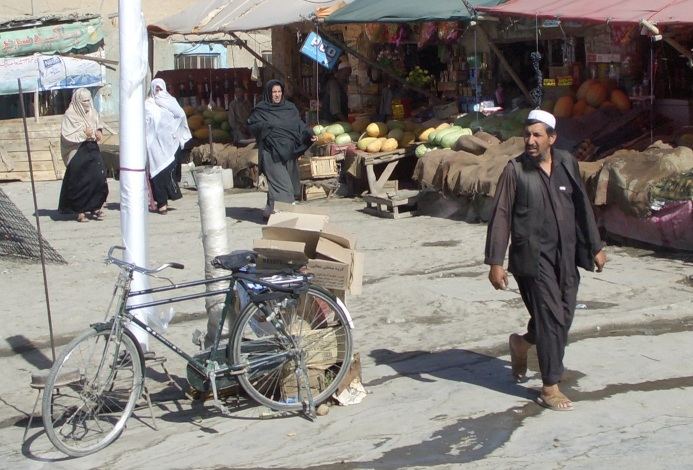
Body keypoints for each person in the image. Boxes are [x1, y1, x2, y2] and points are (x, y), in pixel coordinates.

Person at [484, 109, 607, 411]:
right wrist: (495, 261)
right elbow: (500, 216)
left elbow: (581, 206)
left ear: (552, 138)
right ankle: (550, 386)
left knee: (562, 316)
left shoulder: (567, 163)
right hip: (532, 257)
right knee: (552, 318)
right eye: (527, 134)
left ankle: (523, 343)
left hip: (566, 254)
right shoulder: (515, 170)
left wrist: (595, 245)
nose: (530, 140)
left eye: (537, 135)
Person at [248, 79, 317, 219]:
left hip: (289, 153)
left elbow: (299, 125)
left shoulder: (290, 108)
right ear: (268, 93)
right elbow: (252, 126)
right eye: (274, 92)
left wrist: (309, 135)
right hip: (271, 153)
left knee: (288, 182)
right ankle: (285, 219)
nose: (277, 95)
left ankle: (269, 210)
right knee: (284, 187)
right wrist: (265, 128)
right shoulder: (261, 110)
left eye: (279, 92)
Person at [58, 88, 108, 222]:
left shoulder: (92, 111)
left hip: (92, 147)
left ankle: (95, 206)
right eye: (84, 101)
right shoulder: (71, 114)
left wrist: (98, 132)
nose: (87, 103)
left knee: (98, 177)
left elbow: (98, 124)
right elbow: (67, 134)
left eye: (88, 100)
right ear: (78, 101)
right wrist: (83, 134)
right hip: (78, 149)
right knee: (80, 180)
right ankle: (80, 211)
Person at [144, 78, 191, 215]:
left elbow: (180, 115)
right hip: (154, 146)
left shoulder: (171, 101)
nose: (158, 92)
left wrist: (175, 130)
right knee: (157, 173)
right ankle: (161, 204)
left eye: (161, 89)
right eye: (156, 89)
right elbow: (146, 123)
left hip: (170, 145)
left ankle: (166, 199)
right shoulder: (148, 104)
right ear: (152, 90)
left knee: (169, 172)